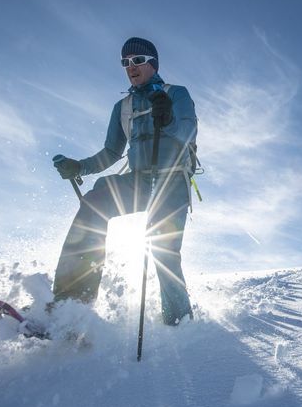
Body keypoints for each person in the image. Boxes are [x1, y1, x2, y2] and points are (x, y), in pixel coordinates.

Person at [51, 37, 196, 325]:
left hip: (172, 180)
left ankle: (179, 321)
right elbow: (110, 153)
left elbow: (187, 133)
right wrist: (79, 166)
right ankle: (71, 304)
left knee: (162, 247)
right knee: (94, 202)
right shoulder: (122, 107)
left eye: (138, 60)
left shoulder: (176, 93)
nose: (131, 67)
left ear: (153, 64)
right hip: (139, 181)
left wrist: (166, 117)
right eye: (125, 62)